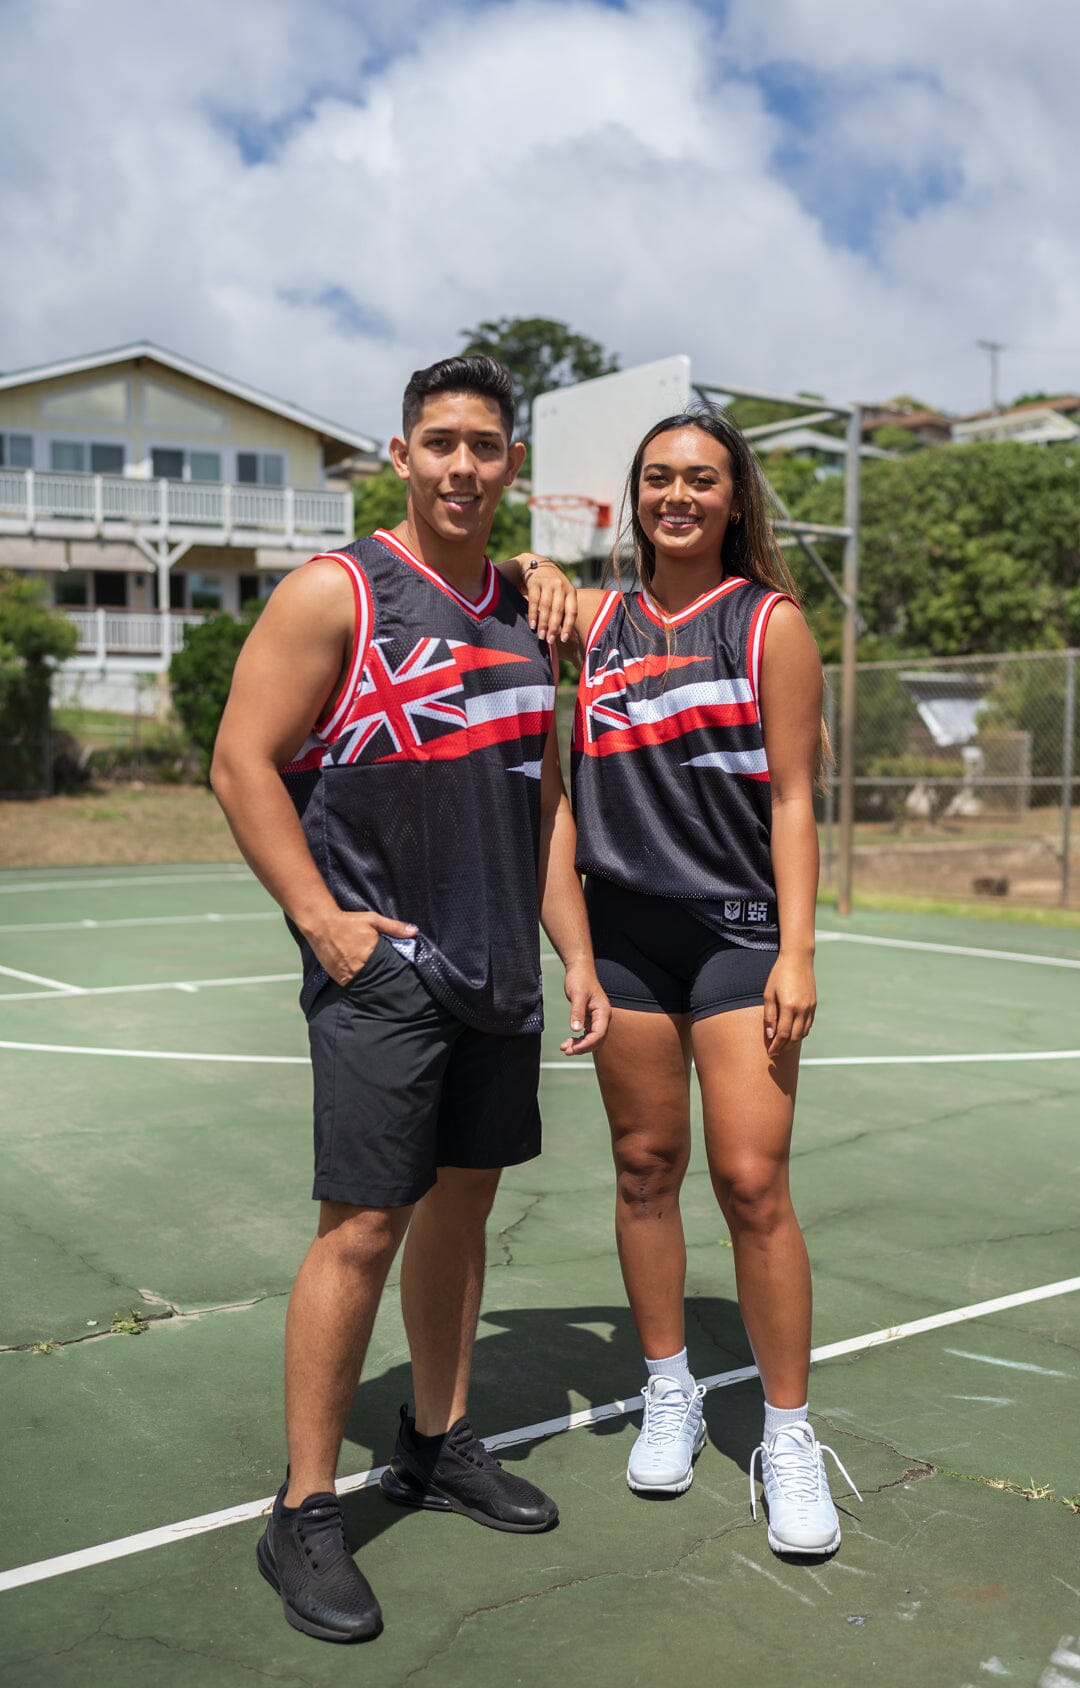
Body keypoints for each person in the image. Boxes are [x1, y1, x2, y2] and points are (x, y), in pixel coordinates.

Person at [211, 354, 609, 1645]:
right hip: (385, 971)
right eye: (439, 442)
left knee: (463, 1213)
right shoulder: (340, 591)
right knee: (362, 1230)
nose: (460, 465)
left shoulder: (531, 614)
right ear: (401, 455)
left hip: (502, 971)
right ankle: (306, 1508)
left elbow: (543, 802)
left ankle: (437, 1439)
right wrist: (325, 926)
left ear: (511, 466)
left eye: (484, 445)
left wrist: (578, 954)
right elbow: (241, 761)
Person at [525, 409, 859, 1556]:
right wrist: (537, 563)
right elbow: (517, 608)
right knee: (644, 1165)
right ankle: (670, 1387)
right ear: (635, 494)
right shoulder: (594, 621)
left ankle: (789, 1432)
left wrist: (800, 947)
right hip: (622, 932)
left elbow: (793, 803)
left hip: (738, 934)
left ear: (733, 497)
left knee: (753, 1176)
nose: (680, 494)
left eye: (701, 478)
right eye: (660, 477)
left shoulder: (771, 624)